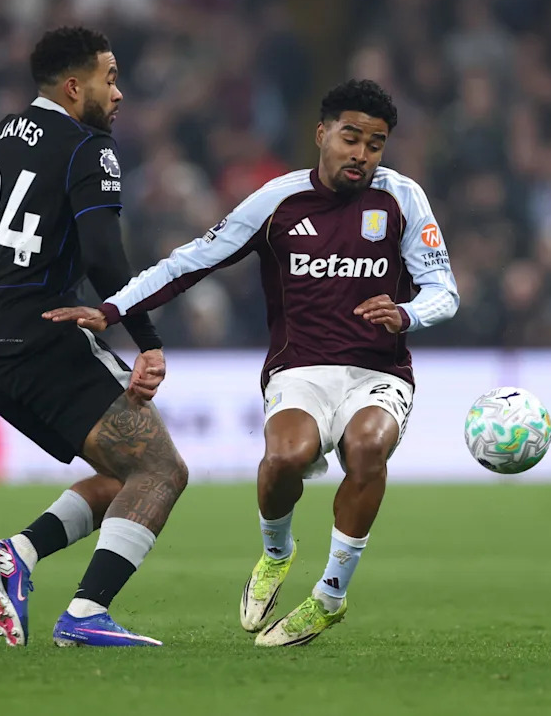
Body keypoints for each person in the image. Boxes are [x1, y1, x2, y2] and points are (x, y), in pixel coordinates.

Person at [46, 79, 459, 647]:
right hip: (300, 370)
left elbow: (444, 290)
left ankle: (329, 598)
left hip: (378, 373)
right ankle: (276, 554)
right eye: (351, 138)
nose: (362, 154)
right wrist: (112, 309)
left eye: (375, 144)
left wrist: (407, 313)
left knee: (367, 448)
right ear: (322, 134)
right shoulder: (278, 201)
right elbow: (193, 261)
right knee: (285, 458)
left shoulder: (402, 198)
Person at [0, 26, 186, 648]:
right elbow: (104, 257)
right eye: (109, 79)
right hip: (43, 338)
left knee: (123, 476)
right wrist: (146, 338)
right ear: (73, 87)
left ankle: (19, 554)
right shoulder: (88, 149)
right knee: (161, 470)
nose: (119, 94)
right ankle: (86, 613)